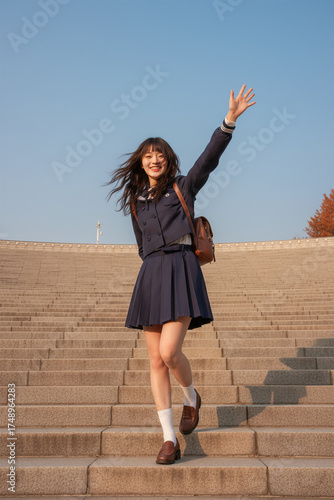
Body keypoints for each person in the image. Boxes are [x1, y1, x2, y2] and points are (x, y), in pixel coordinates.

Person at [104, 84, 256, 464]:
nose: (154, 160)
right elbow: (142, 245)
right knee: (155, 361)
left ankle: (192, 398)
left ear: (167, 160)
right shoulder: (137, 204)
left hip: (182, 270)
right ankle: (169, 438)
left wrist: (229, 122)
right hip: (151, 275)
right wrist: (152, 263)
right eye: (147, 156)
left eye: (159, 155)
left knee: (171, 352)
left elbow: (208, 159)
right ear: (141, 163)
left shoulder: (183, 187)